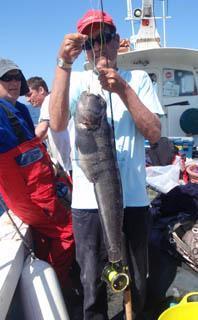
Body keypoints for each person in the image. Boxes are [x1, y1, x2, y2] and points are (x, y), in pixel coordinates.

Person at [49, 9, 164, 320]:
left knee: (137, 280)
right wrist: (63, 64)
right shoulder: (76, 81)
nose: (98, 47)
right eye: (90, 42)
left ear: (117, 42)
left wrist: (123, 90)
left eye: (104, 39)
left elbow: (154, 133)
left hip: (135, 202)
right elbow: (57, 123)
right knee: (91, 282)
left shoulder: (137, 79)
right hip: (88, 205)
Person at [0, 58, 75, 293]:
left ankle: (53, 274)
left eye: (16, 77)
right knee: (68, 230)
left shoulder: (21, 109)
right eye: (6, 78)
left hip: (44, 185)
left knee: (48, 235)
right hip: (29, 195)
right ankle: (59, 290)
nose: (13, 82)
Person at [26, 76, 71, 173]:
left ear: (41, 90)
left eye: (29, 94)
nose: (27, 100)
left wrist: (23, 147)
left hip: (67, 164)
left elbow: (42, 130)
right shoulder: (52, 102)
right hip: (67, 162)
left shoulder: (49, 101)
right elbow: (47, 132)